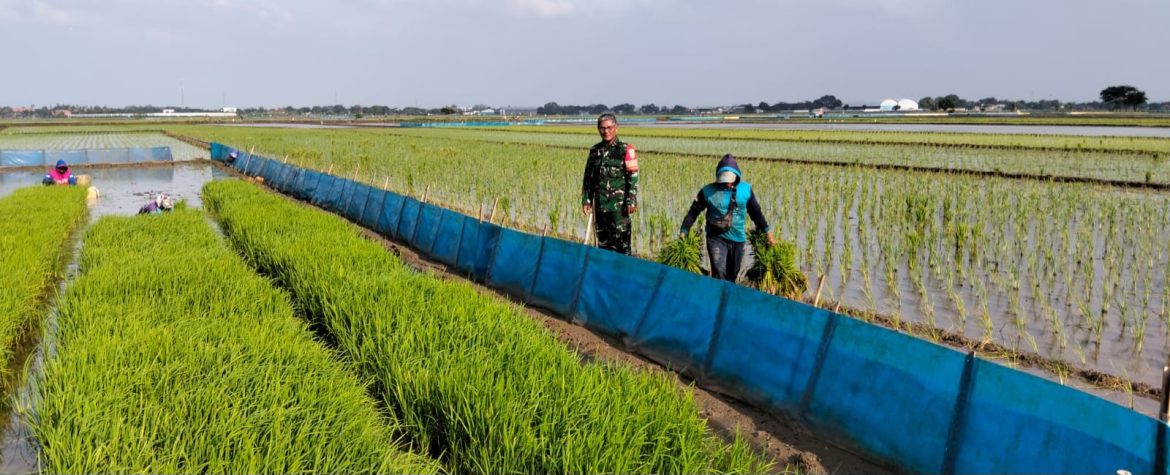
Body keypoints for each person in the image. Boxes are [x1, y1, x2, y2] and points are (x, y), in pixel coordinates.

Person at [679, 154, 776, 282]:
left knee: (732, 275)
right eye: (724, 181)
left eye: (730, 181)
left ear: (736, 177)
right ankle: (716, 297)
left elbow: (756, 213)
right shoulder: (707, 191)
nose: (727, 184)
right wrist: (684, 231)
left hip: (738, 240)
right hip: (716, 238)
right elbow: (693, 212)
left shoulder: (745, 190)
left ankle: (725, 298)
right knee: (719, 272)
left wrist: (768, 232)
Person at [581, 113, 639, 255]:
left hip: (619, 209)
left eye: (609, 127)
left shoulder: (625, 149)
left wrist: (631, 199)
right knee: (603, 246)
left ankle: (624, 274)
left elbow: (633, 176)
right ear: (598, 129)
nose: (606, 131)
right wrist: (586, 199)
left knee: (621, 247)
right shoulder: (595, 151)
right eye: (602, 128)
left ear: (616, 128)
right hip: (600, 208)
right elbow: (588, 177)